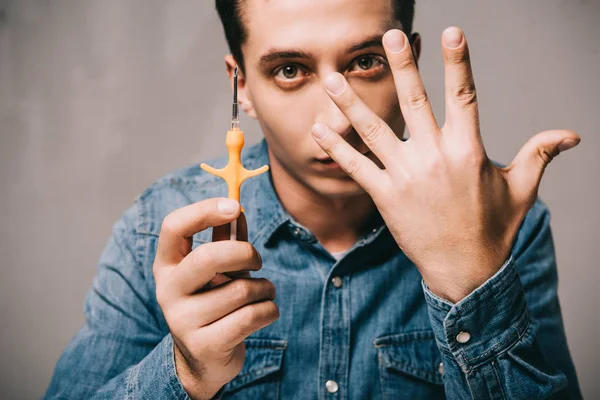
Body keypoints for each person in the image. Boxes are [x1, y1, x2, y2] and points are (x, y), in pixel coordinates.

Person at [44, 0, 582, 399]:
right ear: (242, 88)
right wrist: (182, 373)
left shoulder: (505, 223)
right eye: (289, 70)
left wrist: (472, 282)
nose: (334, 122)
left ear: (408, 64)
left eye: (366, 62)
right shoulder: (157, 230)